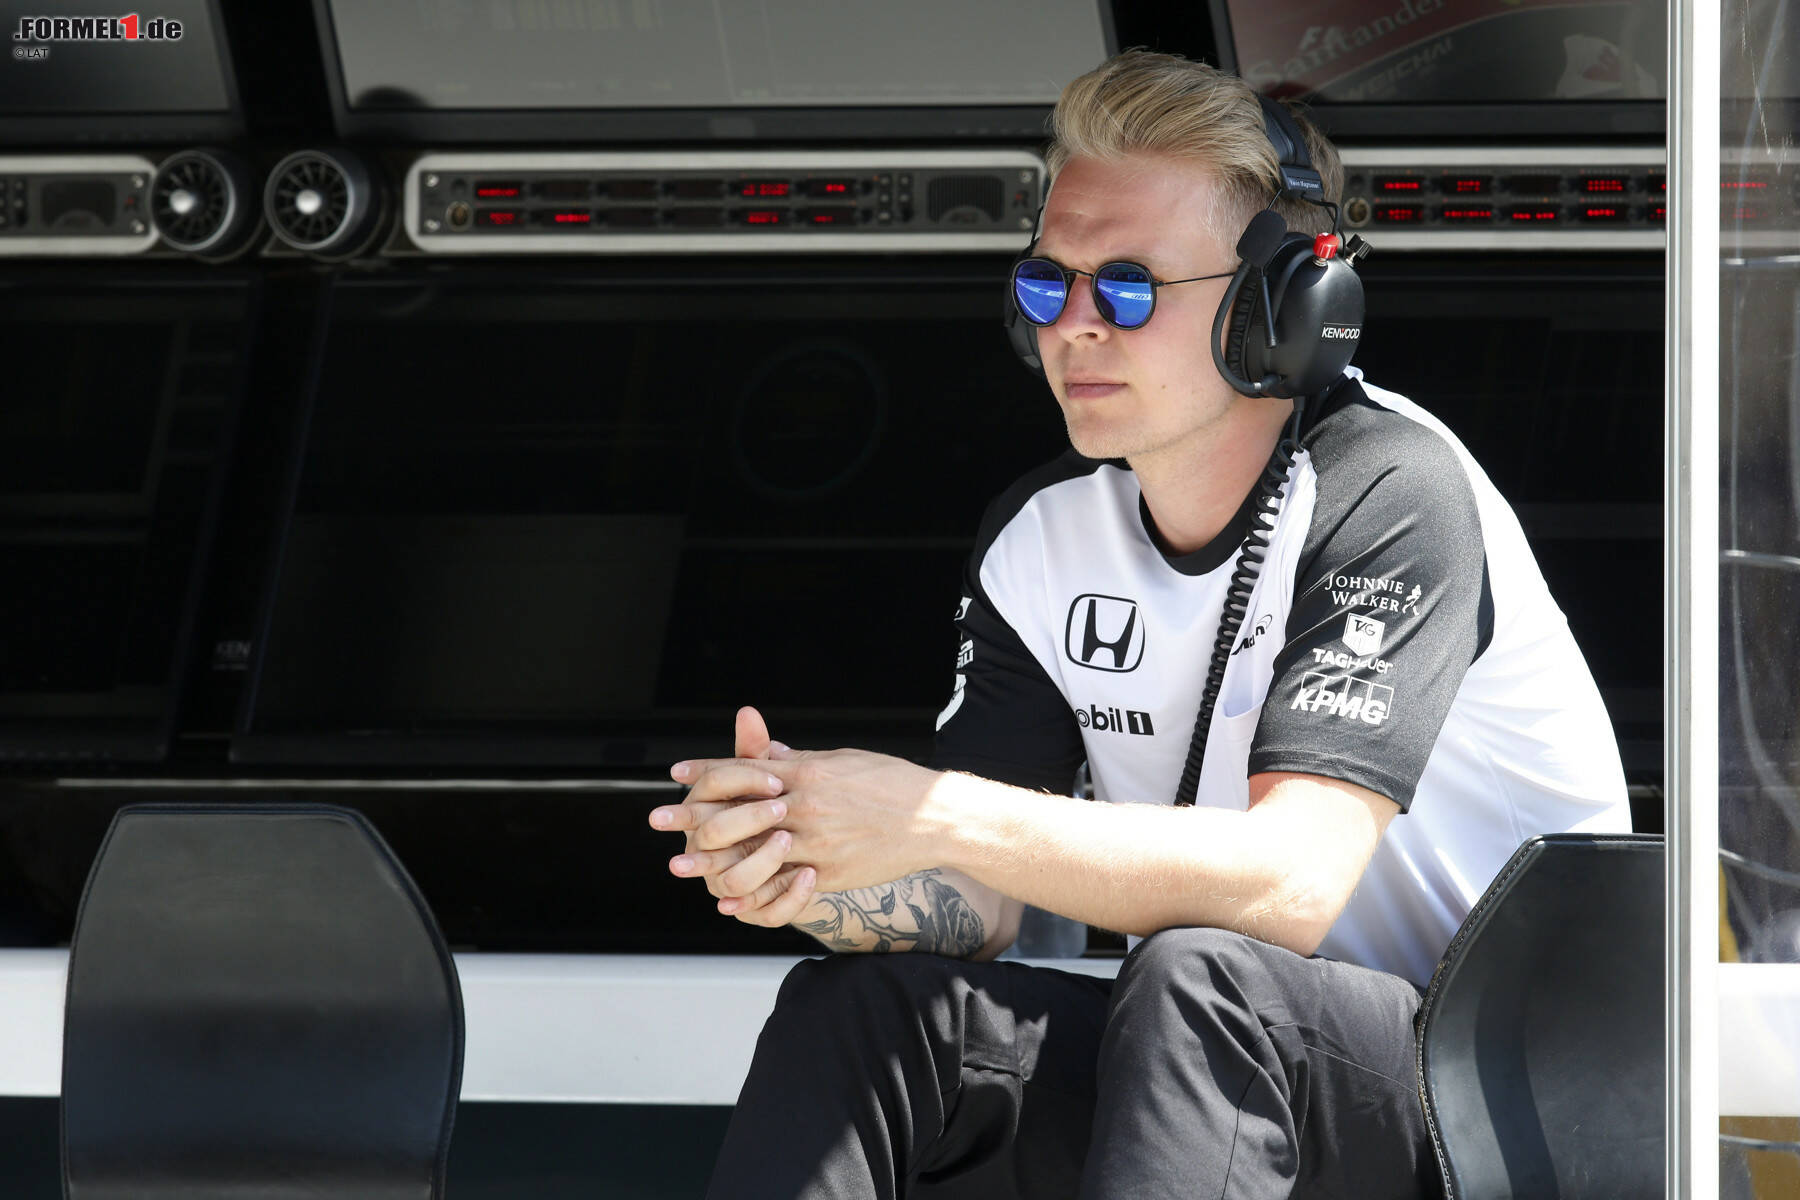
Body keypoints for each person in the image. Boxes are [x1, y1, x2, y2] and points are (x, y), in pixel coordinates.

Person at [647, 49, 1631, 1200]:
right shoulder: (1043, 536)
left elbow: (1291, 885)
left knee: (1197, 976)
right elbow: (980, 900)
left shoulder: (1393, 485)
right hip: (1229, 1059)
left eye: (1126, 287)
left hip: (1504, 1095)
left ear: (1281, 310)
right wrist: (814, 870)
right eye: (1046, 284)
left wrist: (932, 810)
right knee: (866, 1005)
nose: (1074, 327)